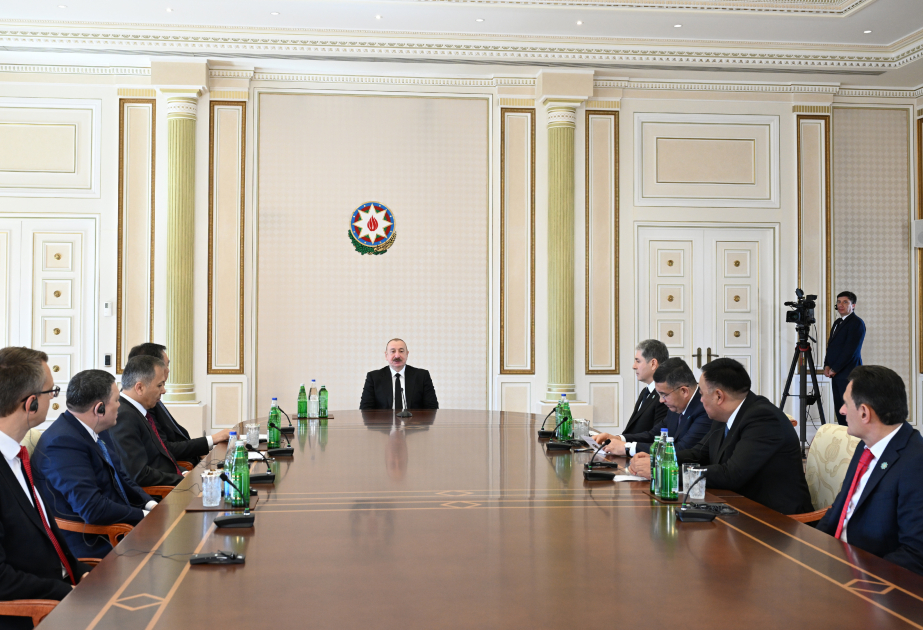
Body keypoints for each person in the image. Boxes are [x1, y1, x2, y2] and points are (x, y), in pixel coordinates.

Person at [628, 358, 813, 515]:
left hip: (775, 521)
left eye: (701, 393)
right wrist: (659, 460)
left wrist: (663, 471)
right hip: (738, 507)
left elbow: (731, 474)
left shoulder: (763, 419)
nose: (699, 399)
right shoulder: (723, 415)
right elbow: (698, 454)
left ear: (718, 396)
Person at [0, 347, 90, 627]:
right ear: (31, 404)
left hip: (66, 590)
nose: (54, 398)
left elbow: (47, 537)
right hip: (36, 613)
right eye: (52, 392)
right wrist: (70, 594)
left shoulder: (17, 455)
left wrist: (85, 575)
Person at [32, 370, 156, 558]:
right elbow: (93, 509)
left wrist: (151, 505)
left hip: (120, 523)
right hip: (95, 539)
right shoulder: (62, 444)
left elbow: (121, 478)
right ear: (99, 409)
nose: (119, 405)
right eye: (116, 400)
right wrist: (144, 516)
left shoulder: (97, 427)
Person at [816, 366, 923, 575]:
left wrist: (859, 578)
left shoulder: (915, 462)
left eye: (846, 404)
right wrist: (812, 548)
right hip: (835, 562)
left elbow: (916, 553)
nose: (842, 410)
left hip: (870, 581)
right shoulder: (865, 446)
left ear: (864, 412)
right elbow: (840, 507)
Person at [127, 342, 230, 462]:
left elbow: (178, 437)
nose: (168, 370)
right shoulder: (143, 404)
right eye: (166, 365)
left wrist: (201, 453)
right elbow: (164, 449)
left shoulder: (153, 397)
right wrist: (213, 439)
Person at [594, 358, 710, 457]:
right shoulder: (676, 405)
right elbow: (653, 435)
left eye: (664, 395)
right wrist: (619, 439)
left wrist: (628, 448)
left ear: (684, 391)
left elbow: (681, 449)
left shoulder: (704, 410)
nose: (661, 400)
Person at [108, 356, 185, 487]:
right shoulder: (124, 416)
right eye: (159, 385)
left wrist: (184, 473)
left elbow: (160, 459)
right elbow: (139, 474)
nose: (164, 390)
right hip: (160, 495)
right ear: (139, 388)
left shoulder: (138, 410)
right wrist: (183, 481)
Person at [359, 339, 438, 411]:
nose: (397, 355)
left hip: (414, 425)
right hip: (384, 425)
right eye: (393, 351)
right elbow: (365, 409)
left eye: (401, 351)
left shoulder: (422, 376)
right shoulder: (373, 377)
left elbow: (432, 408)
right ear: (386, 355)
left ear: (407, 354)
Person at [823, 291, 865, 425]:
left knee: (849, 408)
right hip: (836, 373)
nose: (840, 305)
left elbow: (850, 350)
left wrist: (835, 368)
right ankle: (843, 439)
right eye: (839, 302)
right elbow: (831, 347)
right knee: (839, 408)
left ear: (853, 305)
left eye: (845, 302)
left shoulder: (857, 323)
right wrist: (827, 365)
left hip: (848, 373)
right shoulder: (837, 323)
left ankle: (852, 442)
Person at [620, 339, 669, 436]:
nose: (634, 366)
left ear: (653, 364)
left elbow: (657, 436)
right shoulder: (645, 392)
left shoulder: (663, 396)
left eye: (638, 361)